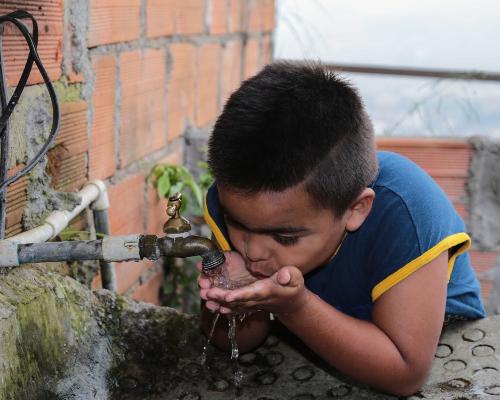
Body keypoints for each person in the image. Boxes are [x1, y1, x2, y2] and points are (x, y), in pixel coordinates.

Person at [197, 61, 485, 396]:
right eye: (238, 225)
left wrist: (294, 306)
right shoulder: (238, 200)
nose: (252, 250)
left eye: (285, 237)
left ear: (356, 209)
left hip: (432, 336)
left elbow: (405, 373)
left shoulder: (406, 212)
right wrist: (228, 298)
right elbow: (240, 343)